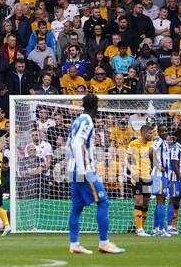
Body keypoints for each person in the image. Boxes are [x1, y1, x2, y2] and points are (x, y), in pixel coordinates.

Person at [66, 93, 123, 255]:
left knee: (77, 207)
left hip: (73, 168)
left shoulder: (77, 120)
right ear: (96, 106)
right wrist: (83, 169)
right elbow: (77, 143)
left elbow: (70, 143)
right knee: (103, 201)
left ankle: (74, 243)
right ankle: (104, 242)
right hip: (83, 169)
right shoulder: (87, 121)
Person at [126, 120, 155, 235]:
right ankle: (139, 229)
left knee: (146, 203)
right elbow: (126, 160)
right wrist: (131, 170)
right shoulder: (134, 144)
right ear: (143, 133)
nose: (152, 135)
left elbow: (153, 158)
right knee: (138, 201)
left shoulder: (151, 144)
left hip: (147, 177)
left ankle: (141, 227)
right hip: (137, 177)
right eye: (150, 133)